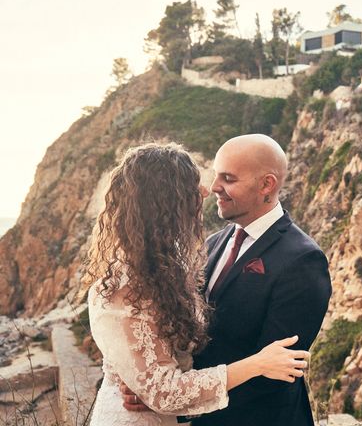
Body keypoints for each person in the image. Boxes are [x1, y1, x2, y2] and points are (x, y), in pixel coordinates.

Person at [87, 143, 311, 426]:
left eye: (227, 178)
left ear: (267, 184)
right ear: (163, 202)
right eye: (199, 183)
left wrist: (158, 393)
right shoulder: (129, 280)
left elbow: (279, 368)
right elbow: (160, 382)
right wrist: (150, 386)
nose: (209, 189)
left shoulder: (302, 259)